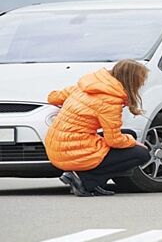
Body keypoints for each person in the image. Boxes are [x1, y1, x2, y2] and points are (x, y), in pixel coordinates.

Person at [45, 59, 151, 197]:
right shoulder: (109, 100)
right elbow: (114, 140)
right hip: (72, 150)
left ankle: (88, 179)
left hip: (56, 145)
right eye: (141, 80)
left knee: (129, 134)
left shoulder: (88, 85)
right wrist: (133, 142)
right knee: (141, 154)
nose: (142, 84)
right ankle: (85, 179)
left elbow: (53, 97)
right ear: (131, 81)